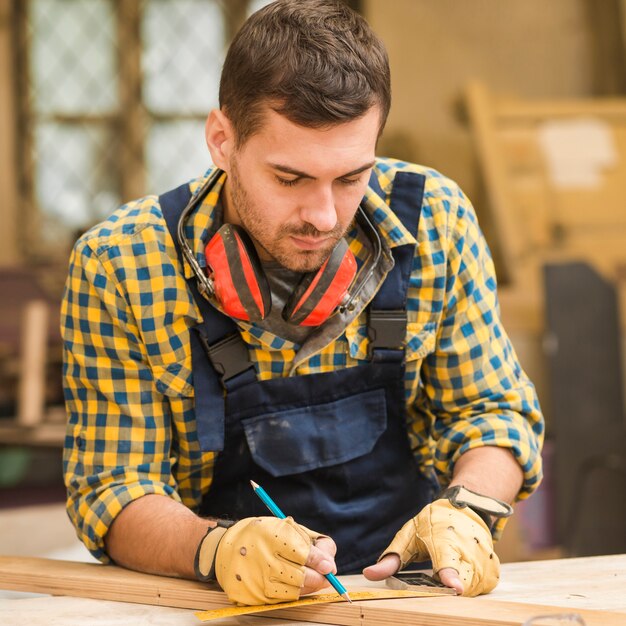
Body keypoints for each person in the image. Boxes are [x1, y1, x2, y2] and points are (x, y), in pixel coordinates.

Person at [61, 0, 544, 607]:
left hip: (411, 602)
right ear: (221, 140)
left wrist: (469, 512)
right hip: (219, 605)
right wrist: (217, 549)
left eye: (350, 178)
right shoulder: (122, 265)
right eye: (289, 179)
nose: (322, 216)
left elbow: (493, 413)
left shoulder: (435, 222)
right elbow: (113, 488)